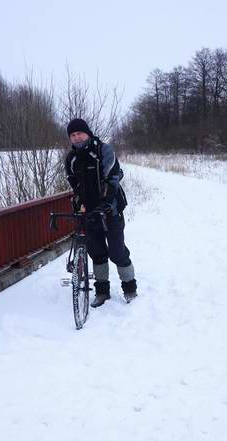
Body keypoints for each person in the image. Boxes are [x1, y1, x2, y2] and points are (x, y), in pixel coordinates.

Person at [64, 118, 137, 306]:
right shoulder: (71, 159)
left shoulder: (104, 150)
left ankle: (130, 288)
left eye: (79, 133)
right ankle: (102, 292)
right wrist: (79, 202)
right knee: (97, 253)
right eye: (72, 135)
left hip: (111, 209)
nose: (76, 137)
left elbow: (112, 178)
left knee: (117, 252)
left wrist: (105, 204)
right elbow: (75, 185)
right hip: (89, 213)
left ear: (87, 133)